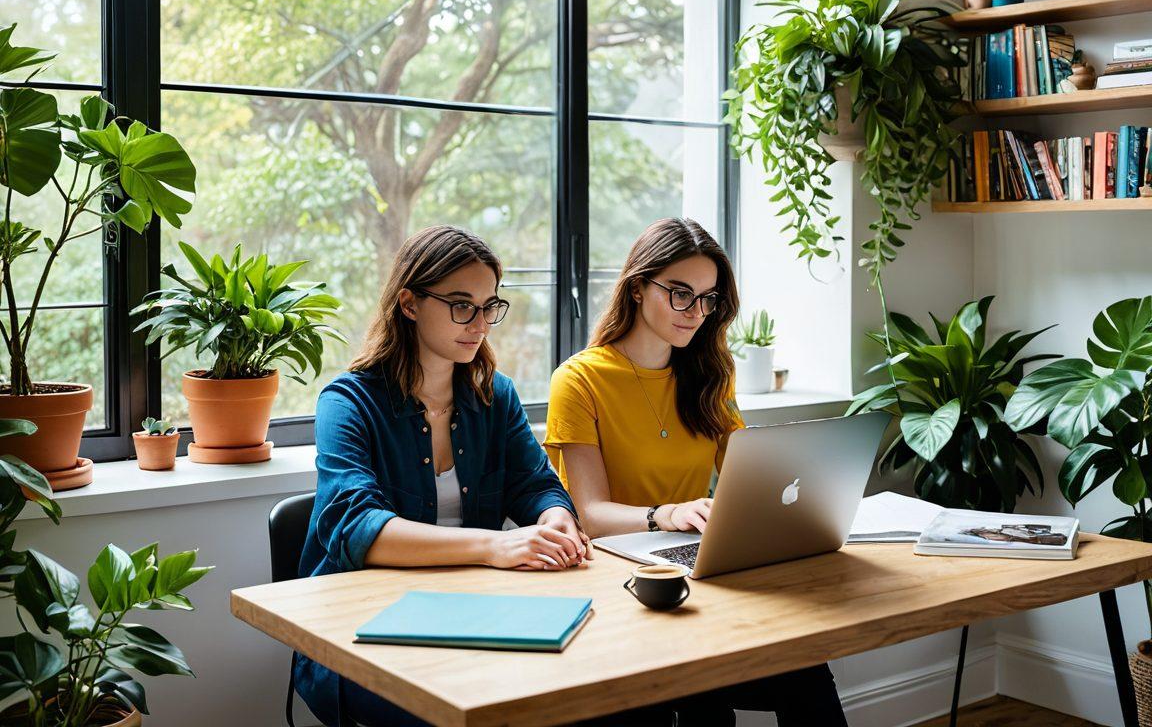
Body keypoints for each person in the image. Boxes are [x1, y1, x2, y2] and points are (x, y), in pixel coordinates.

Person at [545, 217, 849, 727]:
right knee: (705, 699)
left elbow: (751, 478)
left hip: (701, 574)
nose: (695, 312)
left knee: (806, 671)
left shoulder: (711, 373)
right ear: (639, 288)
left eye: (707, 299)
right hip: (624, 582)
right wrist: (666, 514)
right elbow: (592, 516)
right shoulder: (579, 380)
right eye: (680, 293)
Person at [295, 225, 591, 727]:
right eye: (461, 305)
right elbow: (358, 529)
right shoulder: (346, 403)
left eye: (489, 306)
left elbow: (535, 485)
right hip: (358, 636)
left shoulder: (495, 396)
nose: (479, 323)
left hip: (475, 618)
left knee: (588, 699)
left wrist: (556, 516)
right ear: (409, 303)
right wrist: (493, 547)